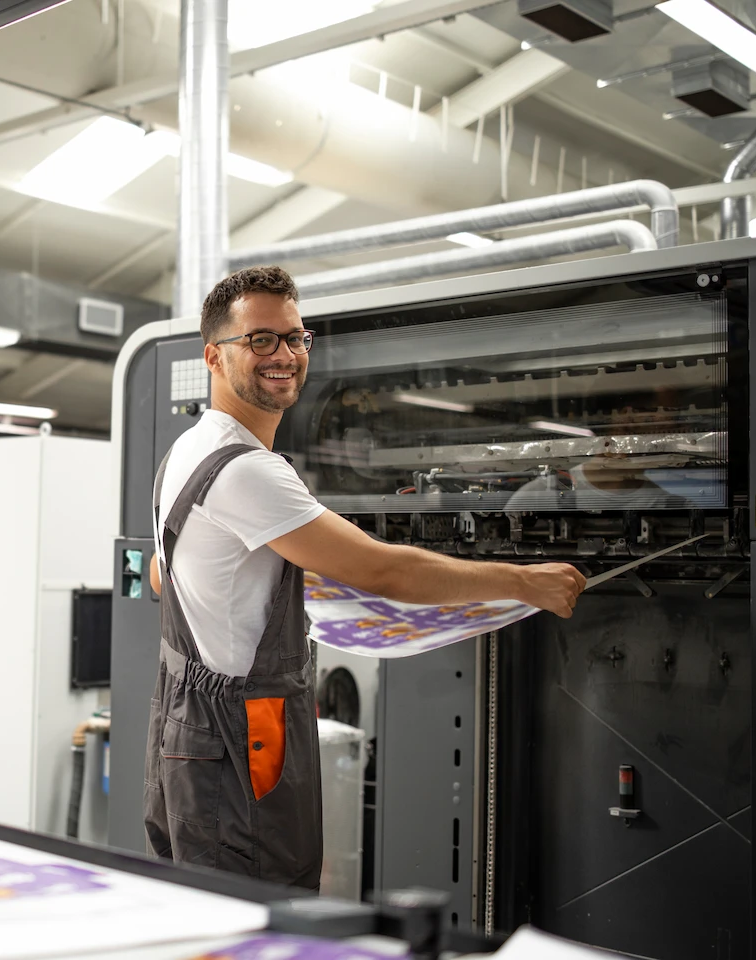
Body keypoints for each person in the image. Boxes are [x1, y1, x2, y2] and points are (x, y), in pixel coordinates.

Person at [143, 265, 586, 890]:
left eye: (295, 337)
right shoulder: (247, 470)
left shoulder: (186, 451)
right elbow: (386, 570)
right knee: (263, 904)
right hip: (242, 738)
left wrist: (275, 572)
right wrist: (522, 583)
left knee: (208, 901)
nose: (284, 355)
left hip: (185, 730)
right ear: (214, 356)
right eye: (261, 340)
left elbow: (163, 575)